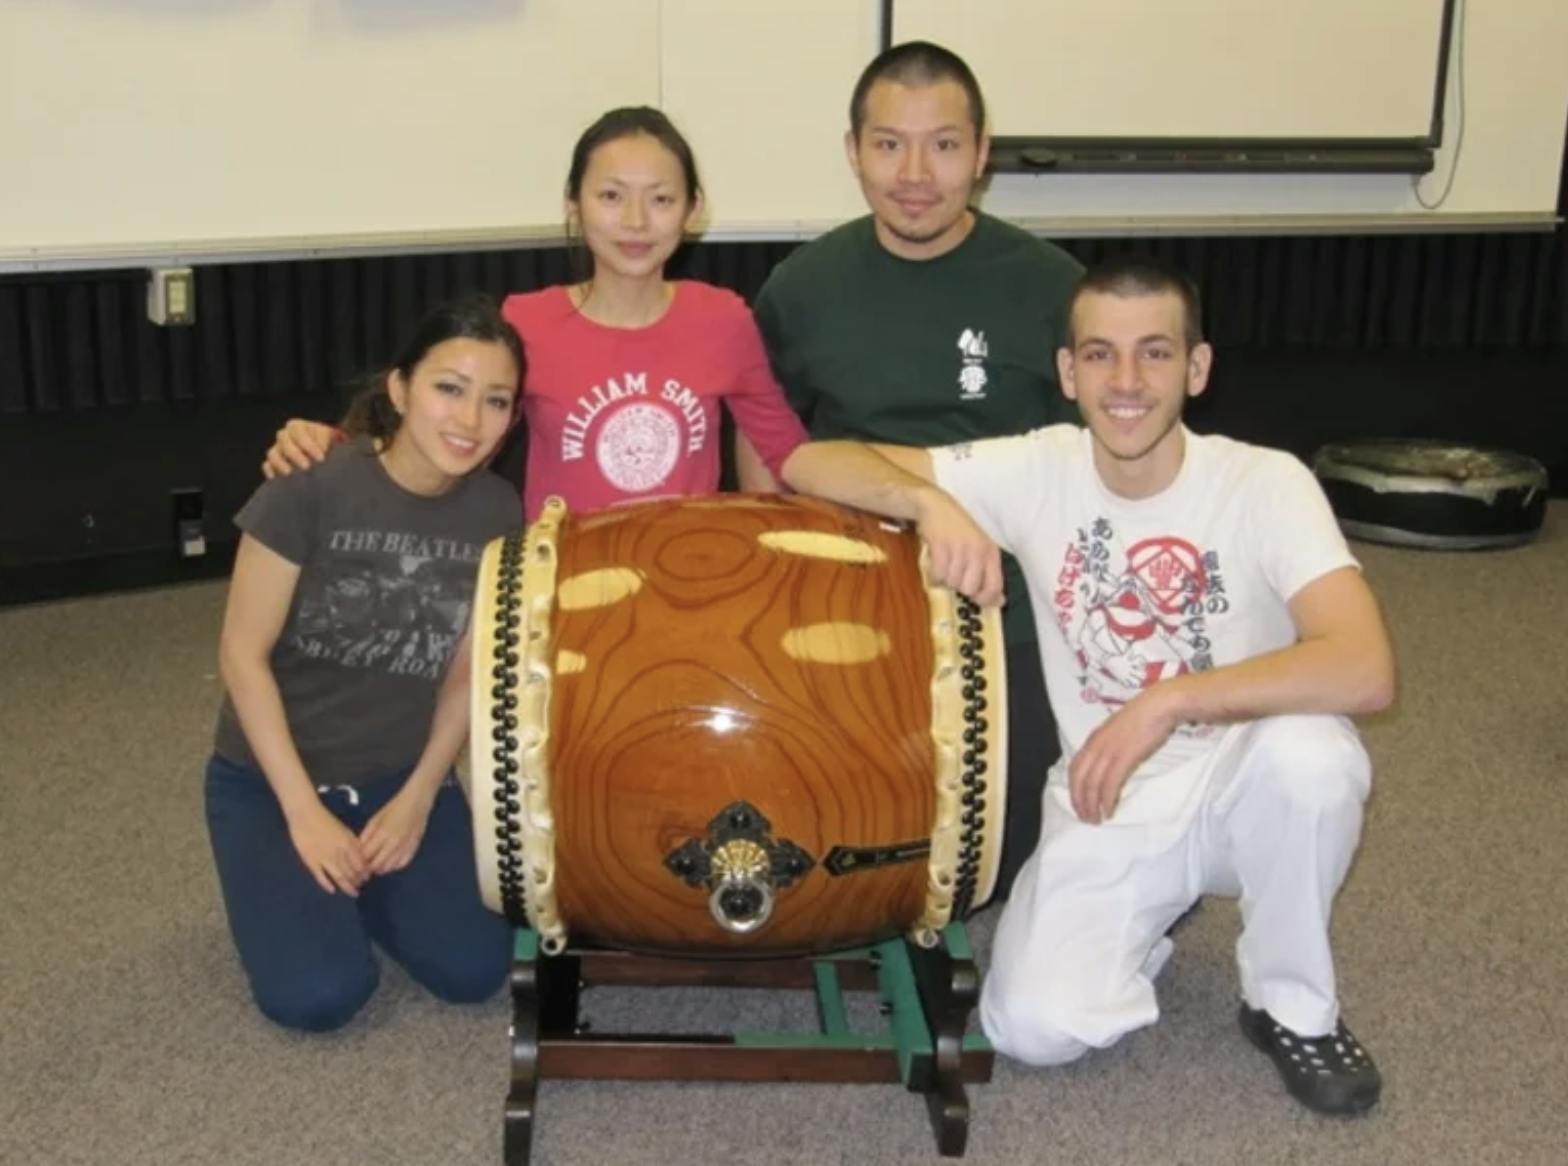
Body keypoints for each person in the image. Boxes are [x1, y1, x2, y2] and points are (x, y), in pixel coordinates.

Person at [784, 257, 1395, 1116]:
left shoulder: (1264, 481)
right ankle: (1149, 918)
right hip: (1112, 795)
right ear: (1068, 373)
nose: (1127, 382)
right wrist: (929, 503)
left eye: (1155, 353)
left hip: (1246, 782)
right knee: (1032, 1028)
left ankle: (1290, 1004)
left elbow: (1364, 667)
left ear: (1197, 368)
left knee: (1314, 758)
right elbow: (812, 461)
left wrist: (1168, 701)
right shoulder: (1039, 466)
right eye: (1101, 355)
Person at [735, 41, 1085, 900]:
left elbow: (1092, 473)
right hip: (845, 600)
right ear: (853, 151)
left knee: (1009, 856)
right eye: (890, 145)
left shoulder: (1053, 288)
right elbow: (767, 450)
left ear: (983, 152)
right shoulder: (802, 287)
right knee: (824, 826)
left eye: (945, 145)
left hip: (1004, 610)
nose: (916, 175)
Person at [207, 297, 524, 1031]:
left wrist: (419, 797)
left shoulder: (498, 510)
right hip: (270, 781)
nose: (470, 420)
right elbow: (241, 656)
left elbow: (466, 673)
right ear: (400, 388)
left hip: (395, 775)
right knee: (320, 996)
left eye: (496, 400)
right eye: (449, 388)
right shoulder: (310, 482)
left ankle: (368, 882)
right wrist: (304, 815)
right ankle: (309, 880)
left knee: (478, 968)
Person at [262, 106, 812, 522]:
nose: (636, 222)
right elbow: (440, 437)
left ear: (693, 209)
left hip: (682, 578)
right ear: (574, 202)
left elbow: (785, 449)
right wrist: (332, 444)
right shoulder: (528, 322)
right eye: (611, 196)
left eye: (661, 199)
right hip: (558, 582)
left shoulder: (722, 319)